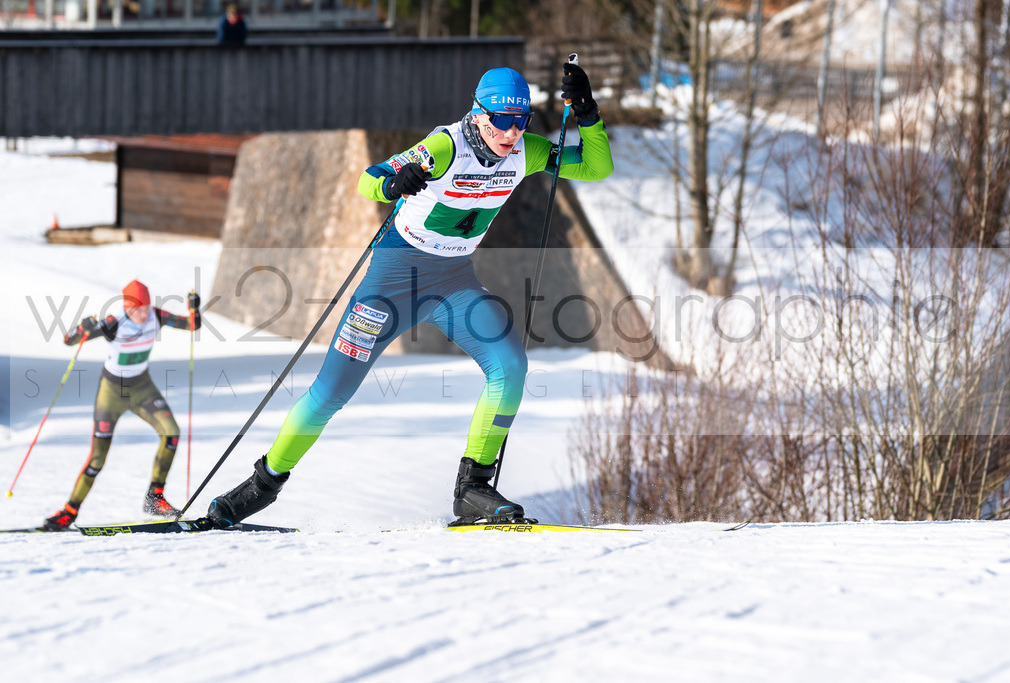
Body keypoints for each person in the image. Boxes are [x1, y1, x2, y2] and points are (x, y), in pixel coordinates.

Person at [206, 61, 613, 527]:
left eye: (521, 121)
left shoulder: (527, 152)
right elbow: (368, 178)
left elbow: (597, 166)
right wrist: (392, 182)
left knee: (511, 367)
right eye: (502, 120)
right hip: (392, 280)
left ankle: (472, 488)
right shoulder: (444, 146)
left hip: (453, 281)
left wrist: (585, 110)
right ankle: (262, 485)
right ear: (479, 114)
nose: (512, 132)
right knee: (330, 393)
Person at [43, 281, 201, 531]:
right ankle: (69, 511)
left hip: (142, 387)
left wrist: (194, 309)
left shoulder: (156, 315)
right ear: (127, 307)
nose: (143, 315)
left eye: (146, 308)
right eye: (138, 310)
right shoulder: (113, 322)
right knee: (97, 459)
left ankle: (154, 498)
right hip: (112, 393)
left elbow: (193, 326)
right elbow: (69, 341)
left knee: (171, 432)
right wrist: (81, 328)